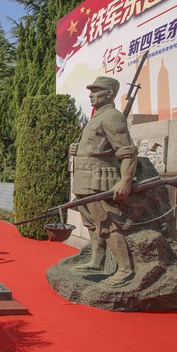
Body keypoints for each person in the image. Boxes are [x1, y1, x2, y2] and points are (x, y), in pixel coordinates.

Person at [69, 76, 138, 287]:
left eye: (96, 90)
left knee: (107, 223)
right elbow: (97, 146)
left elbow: (127, 153)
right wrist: (77, 149)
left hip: (99, 180)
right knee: (91, 223)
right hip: (84, 179)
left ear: (109, 93)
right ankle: (97, 261)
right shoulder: (97, 116)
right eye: (91, 91)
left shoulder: (112, 117)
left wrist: (125, 180)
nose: (91, 94)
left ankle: (125, 269)